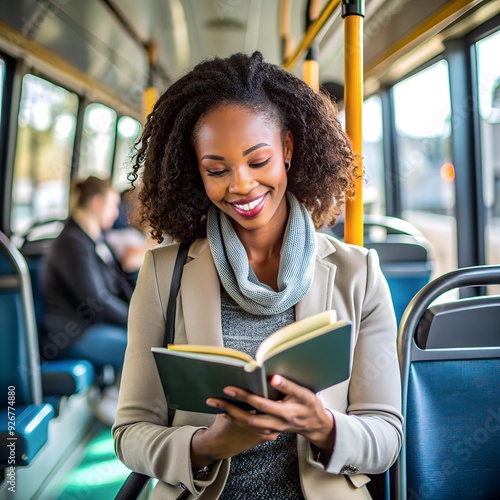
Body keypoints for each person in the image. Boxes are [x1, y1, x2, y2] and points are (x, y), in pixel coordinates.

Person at [113, 52, 403, 499]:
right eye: (217, 170)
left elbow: (386, 438)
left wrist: (323, 427)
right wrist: (206, 446)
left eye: (258, 160)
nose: (242, 184)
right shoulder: (162, 274)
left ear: (287, 149)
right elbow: (130, 431)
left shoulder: (357, 274)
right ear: (196, 171)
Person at [41, 176, 133, 372]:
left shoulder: (93, 240)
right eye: (113, 206)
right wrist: (135, 322)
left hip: (91, 328)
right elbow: (96, 300)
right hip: (72, 335)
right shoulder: (72, 243)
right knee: (142, 350)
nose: (116, 213)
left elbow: (117, 284)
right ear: (98, 203)